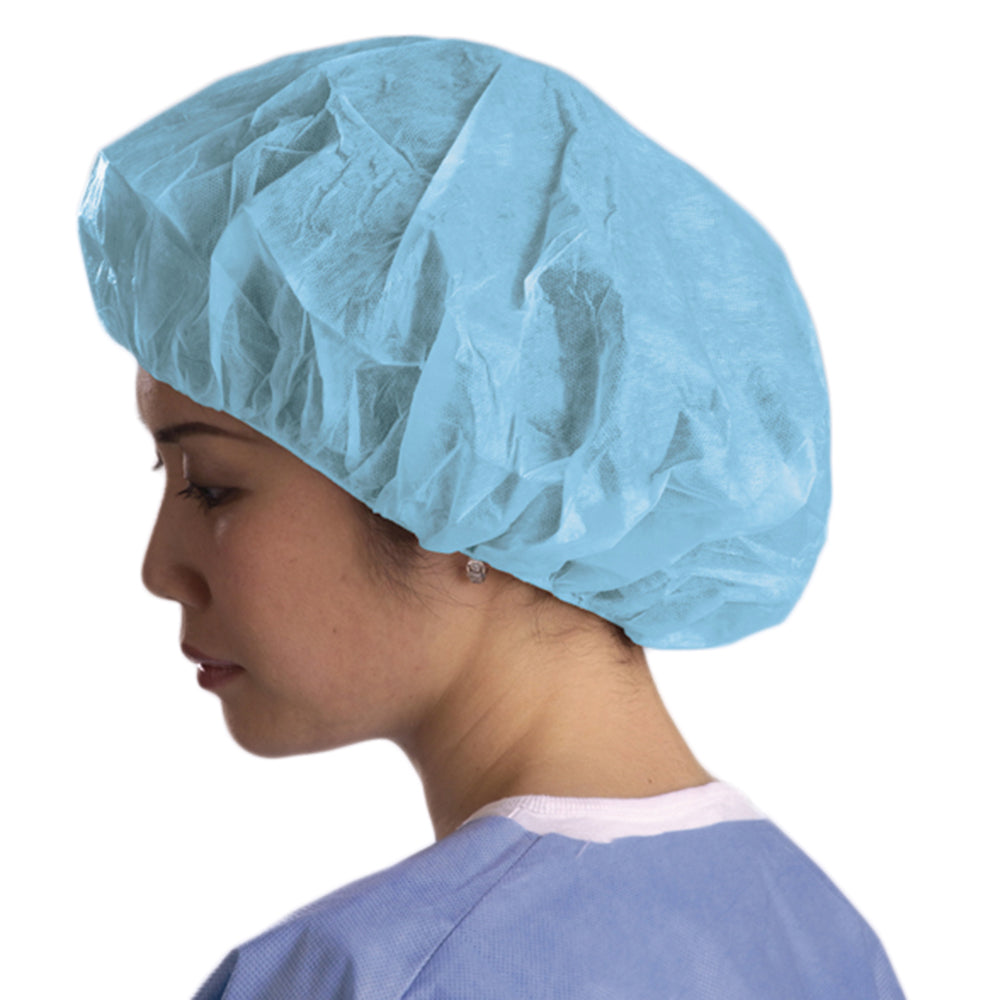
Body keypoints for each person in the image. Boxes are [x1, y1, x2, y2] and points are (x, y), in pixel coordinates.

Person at [79, 37, 907, 999]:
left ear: (445, 481)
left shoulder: (354, 978)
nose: (159, 567)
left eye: (210, 485)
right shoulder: (830, 945)